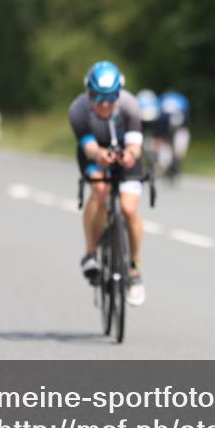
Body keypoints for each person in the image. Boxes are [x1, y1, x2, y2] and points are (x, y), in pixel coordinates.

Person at [69, 61, 147, 306]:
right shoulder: (78, 109)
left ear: (119, 93)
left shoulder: (129, 105)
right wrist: (99, 155)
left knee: (128, 209)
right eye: (98, 97)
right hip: (94, 156)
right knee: (100, 191)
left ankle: (134, 270)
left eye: (110, 97)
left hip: (126, 157)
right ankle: (91, 254)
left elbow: (135, 144)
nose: (104, 104)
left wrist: (130, 155)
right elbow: (89, 146)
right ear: (88, 93)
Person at [155, 90, 191, 181]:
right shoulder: (180, 102)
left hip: (174, 128)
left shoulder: (163, 101)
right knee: (166, 145)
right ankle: (169, 163)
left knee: (174, 146)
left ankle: (173, 163)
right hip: (168, 128)